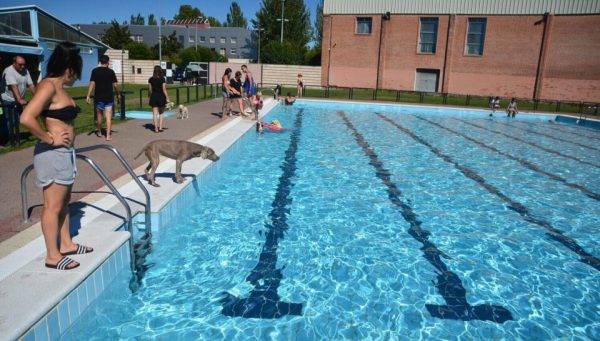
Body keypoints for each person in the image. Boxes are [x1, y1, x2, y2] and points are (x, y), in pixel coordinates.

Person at [20, 41, 93, 270]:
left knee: (63, 203)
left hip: (64, 153)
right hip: (52, 154)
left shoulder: (60, 88)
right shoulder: (48, 86)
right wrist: (49, 138)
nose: (77, 77)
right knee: (52, 205)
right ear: (69, 67)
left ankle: (67, 244)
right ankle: (52, 255)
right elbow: (26, 118)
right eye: (77, 70)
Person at [1, 55, 36, 146]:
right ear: (14, 63)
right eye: (20, 65)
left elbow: (31, 85)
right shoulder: (9, 71)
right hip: (8, 99)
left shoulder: (25, 71)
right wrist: (19, 99)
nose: (22, 66)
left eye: (24, 64)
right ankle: (7, 140)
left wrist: (37, 97)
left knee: (20, 118)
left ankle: (14, 138)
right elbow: (13, 86)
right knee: (9, 120)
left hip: (17, 99)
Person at [86, 54, 120, 141]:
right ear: (108, 62)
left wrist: (88, 95)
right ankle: (108, 135)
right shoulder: (111, 72)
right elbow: (115, 85)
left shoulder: (95, 71)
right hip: (109, 97)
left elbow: (92, 83)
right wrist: (118, 94)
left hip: (99, 97)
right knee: (108, 117)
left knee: (99, 116)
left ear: (100, 62)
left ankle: (100, 132)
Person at [148, 65, 170, 133]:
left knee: (154, 114)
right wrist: (167, 97)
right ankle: (160, 127)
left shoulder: (150, 79)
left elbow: (150, 90)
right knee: (161, 113)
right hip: (161, 96)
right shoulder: (162, 79)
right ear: (160, 71)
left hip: (154, 96)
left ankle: (155, 129)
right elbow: (164, 90)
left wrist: (150, 96)